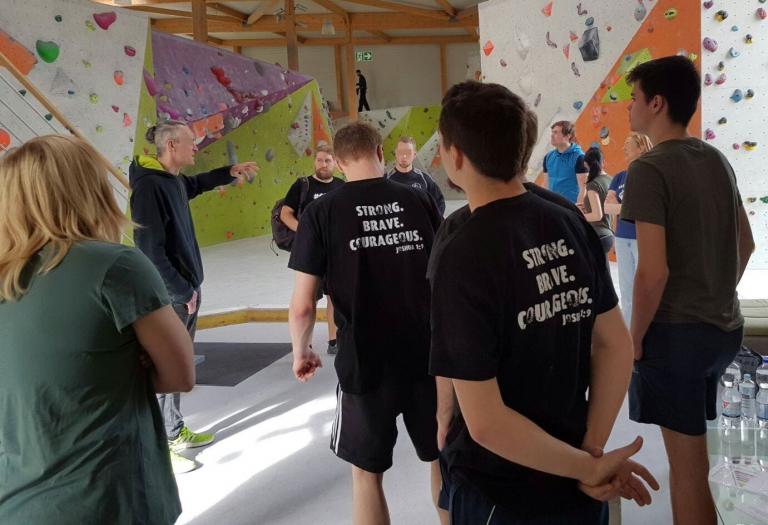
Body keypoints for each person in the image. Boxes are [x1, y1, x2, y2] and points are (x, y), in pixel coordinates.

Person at [429, 81, 659, 524]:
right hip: (575, 475)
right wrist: (589, 454)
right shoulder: (567, 219)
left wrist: (588, 466)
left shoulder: (462, 251)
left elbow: (486, 423)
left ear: (455, 156)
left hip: (501, 490)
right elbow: (616, 344)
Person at [0, 135, 194, 524]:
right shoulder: (115, 266)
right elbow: (179, 374)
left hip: (16, 499)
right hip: (107, 498)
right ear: (88, 188)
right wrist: (128, 364)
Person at [288, 122, 443, 524]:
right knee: (444, 460)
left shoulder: (320, 213)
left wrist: (301, 351)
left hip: (365, 361)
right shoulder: (419, 200)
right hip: (428, 355)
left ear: (339, 163)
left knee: (366, 475)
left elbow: (303, 305)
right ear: (380, 151)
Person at [622, 55, 755, 525]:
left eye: (634, 98)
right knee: (693, 462)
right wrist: (714, 293)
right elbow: (746, 243)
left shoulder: (649, 169)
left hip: (677, 337)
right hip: (724, 331)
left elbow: (652, 272)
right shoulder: (716, 159)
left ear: (657, 103)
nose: (629, 107)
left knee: (688, 471)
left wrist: (635, 338)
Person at [129, 120, 258, 473]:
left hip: (186, 292)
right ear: (171, 146)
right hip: (173, 295)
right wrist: (182, 291)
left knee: (177, 367)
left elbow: (195, 184)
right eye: (190, 142)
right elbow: (150, 252)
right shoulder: (149, 188)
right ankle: (160, 446)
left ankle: (173, 430)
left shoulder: (170, 180)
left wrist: (228, 172)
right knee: (164, 369)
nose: (196, 147)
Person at [280, 144, 345, 354]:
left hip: (334, 250)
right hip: (309, 250)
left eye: (327, 160)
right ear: (314, 162)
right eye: (319, 160)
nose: (323, 164)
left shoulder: (342, 186)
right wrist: (306, 232)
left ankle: (334, 341)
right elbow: (285, 213)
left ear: (335, 163)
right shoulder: (303, 185)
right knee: (307, 298)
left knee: (334, 297)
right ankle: (304, 344)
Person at [604, 133, 653, 324]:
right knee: (626, 288)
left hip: (643, 238)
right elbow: (607, 208)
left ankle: (646, 327)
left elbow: (646, 208)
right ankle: (628, 328)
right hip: (622, 237)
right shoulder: (619, 177)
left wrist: (620, 206)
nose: (624, 147)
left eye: (628, 143)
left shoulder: (650, 175)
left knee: (645, 287)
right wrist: (629, 208)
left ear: (641, 147)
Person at [387, 136, 446, 216]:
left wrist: (433, 220)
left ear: (414, 155)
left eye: (408, 152)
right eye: (401, 152)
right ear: (396, 153)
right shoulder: (386, 179)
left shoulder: (425, 179)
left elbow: (439, 202)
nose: (404, 156)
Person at [539, 120, 589, 203]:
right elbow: (546, 184)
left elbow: (584, 189)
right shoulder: (548, 157)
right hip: (552, 205)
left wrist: (578, 208)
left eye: (556, 132)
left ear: (568, 136)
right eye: (552, 132)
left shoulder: (580, 158)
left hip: (570, 206)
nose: (552, 135)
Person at [579, 147, 614, 254]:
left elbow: (597, 215)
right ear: (603, 161)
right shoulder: (611, 180)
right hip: (608, 236)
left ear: (586, 164)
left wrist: (578, 215)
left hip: (597, 235)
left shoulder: (593, 184)